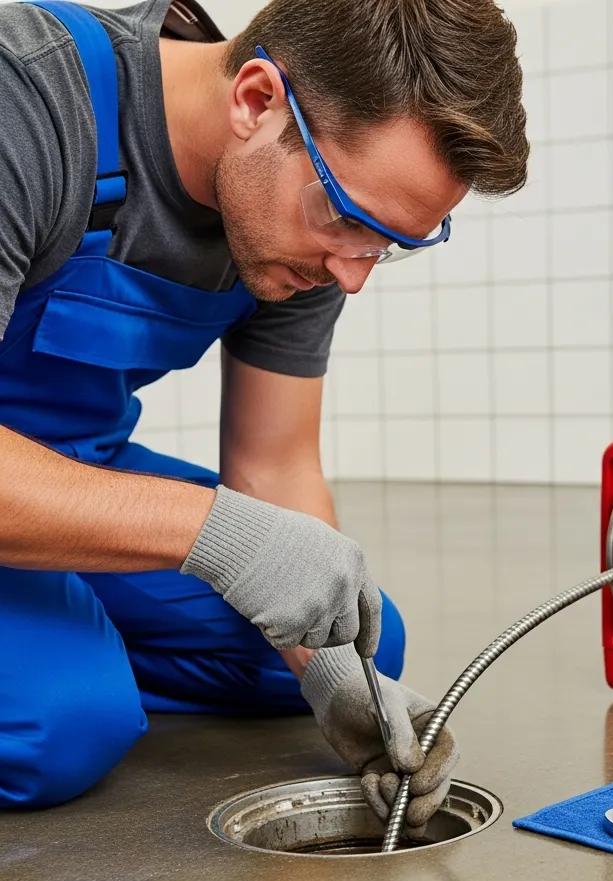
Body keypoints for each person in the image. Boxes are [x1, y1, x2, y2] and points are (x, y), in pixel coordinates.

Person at [0, 0, 528, 834]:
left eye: (386, 243)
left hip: (64, 482)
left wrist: (331, 675)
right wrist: (219, 537)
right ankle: (64, 668)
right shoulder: (24, 98)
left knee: (355, 639)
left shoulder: (297, 236)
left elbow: (275, 464)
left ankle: (64, 638)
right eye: (351, 221)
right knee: (57, 726)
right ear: (255, 99)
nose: (354, 273)